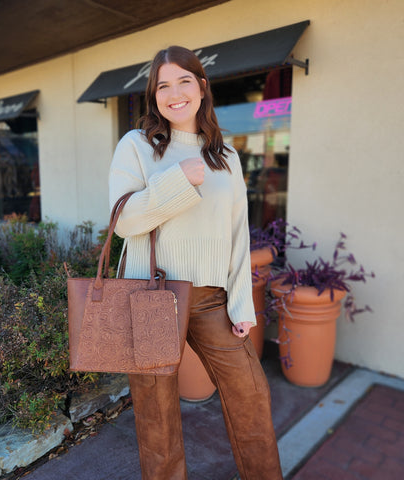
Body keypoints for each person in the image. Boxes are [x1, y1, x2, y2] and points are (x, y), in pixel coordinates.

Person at [109, 46, 283, 480]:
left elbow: (239, 234)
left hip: (210, 299)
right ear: (154, 96)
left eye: (183, 81)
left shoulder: (226, 158)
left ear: (202, 88)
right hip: (148, 297)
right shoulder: (136, 145)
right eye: (162, 85)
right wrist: (178, 179)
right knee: (157, 418)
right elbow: (124, 222)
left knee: (251, 396)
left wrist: (241, 303)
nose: (174, 93)